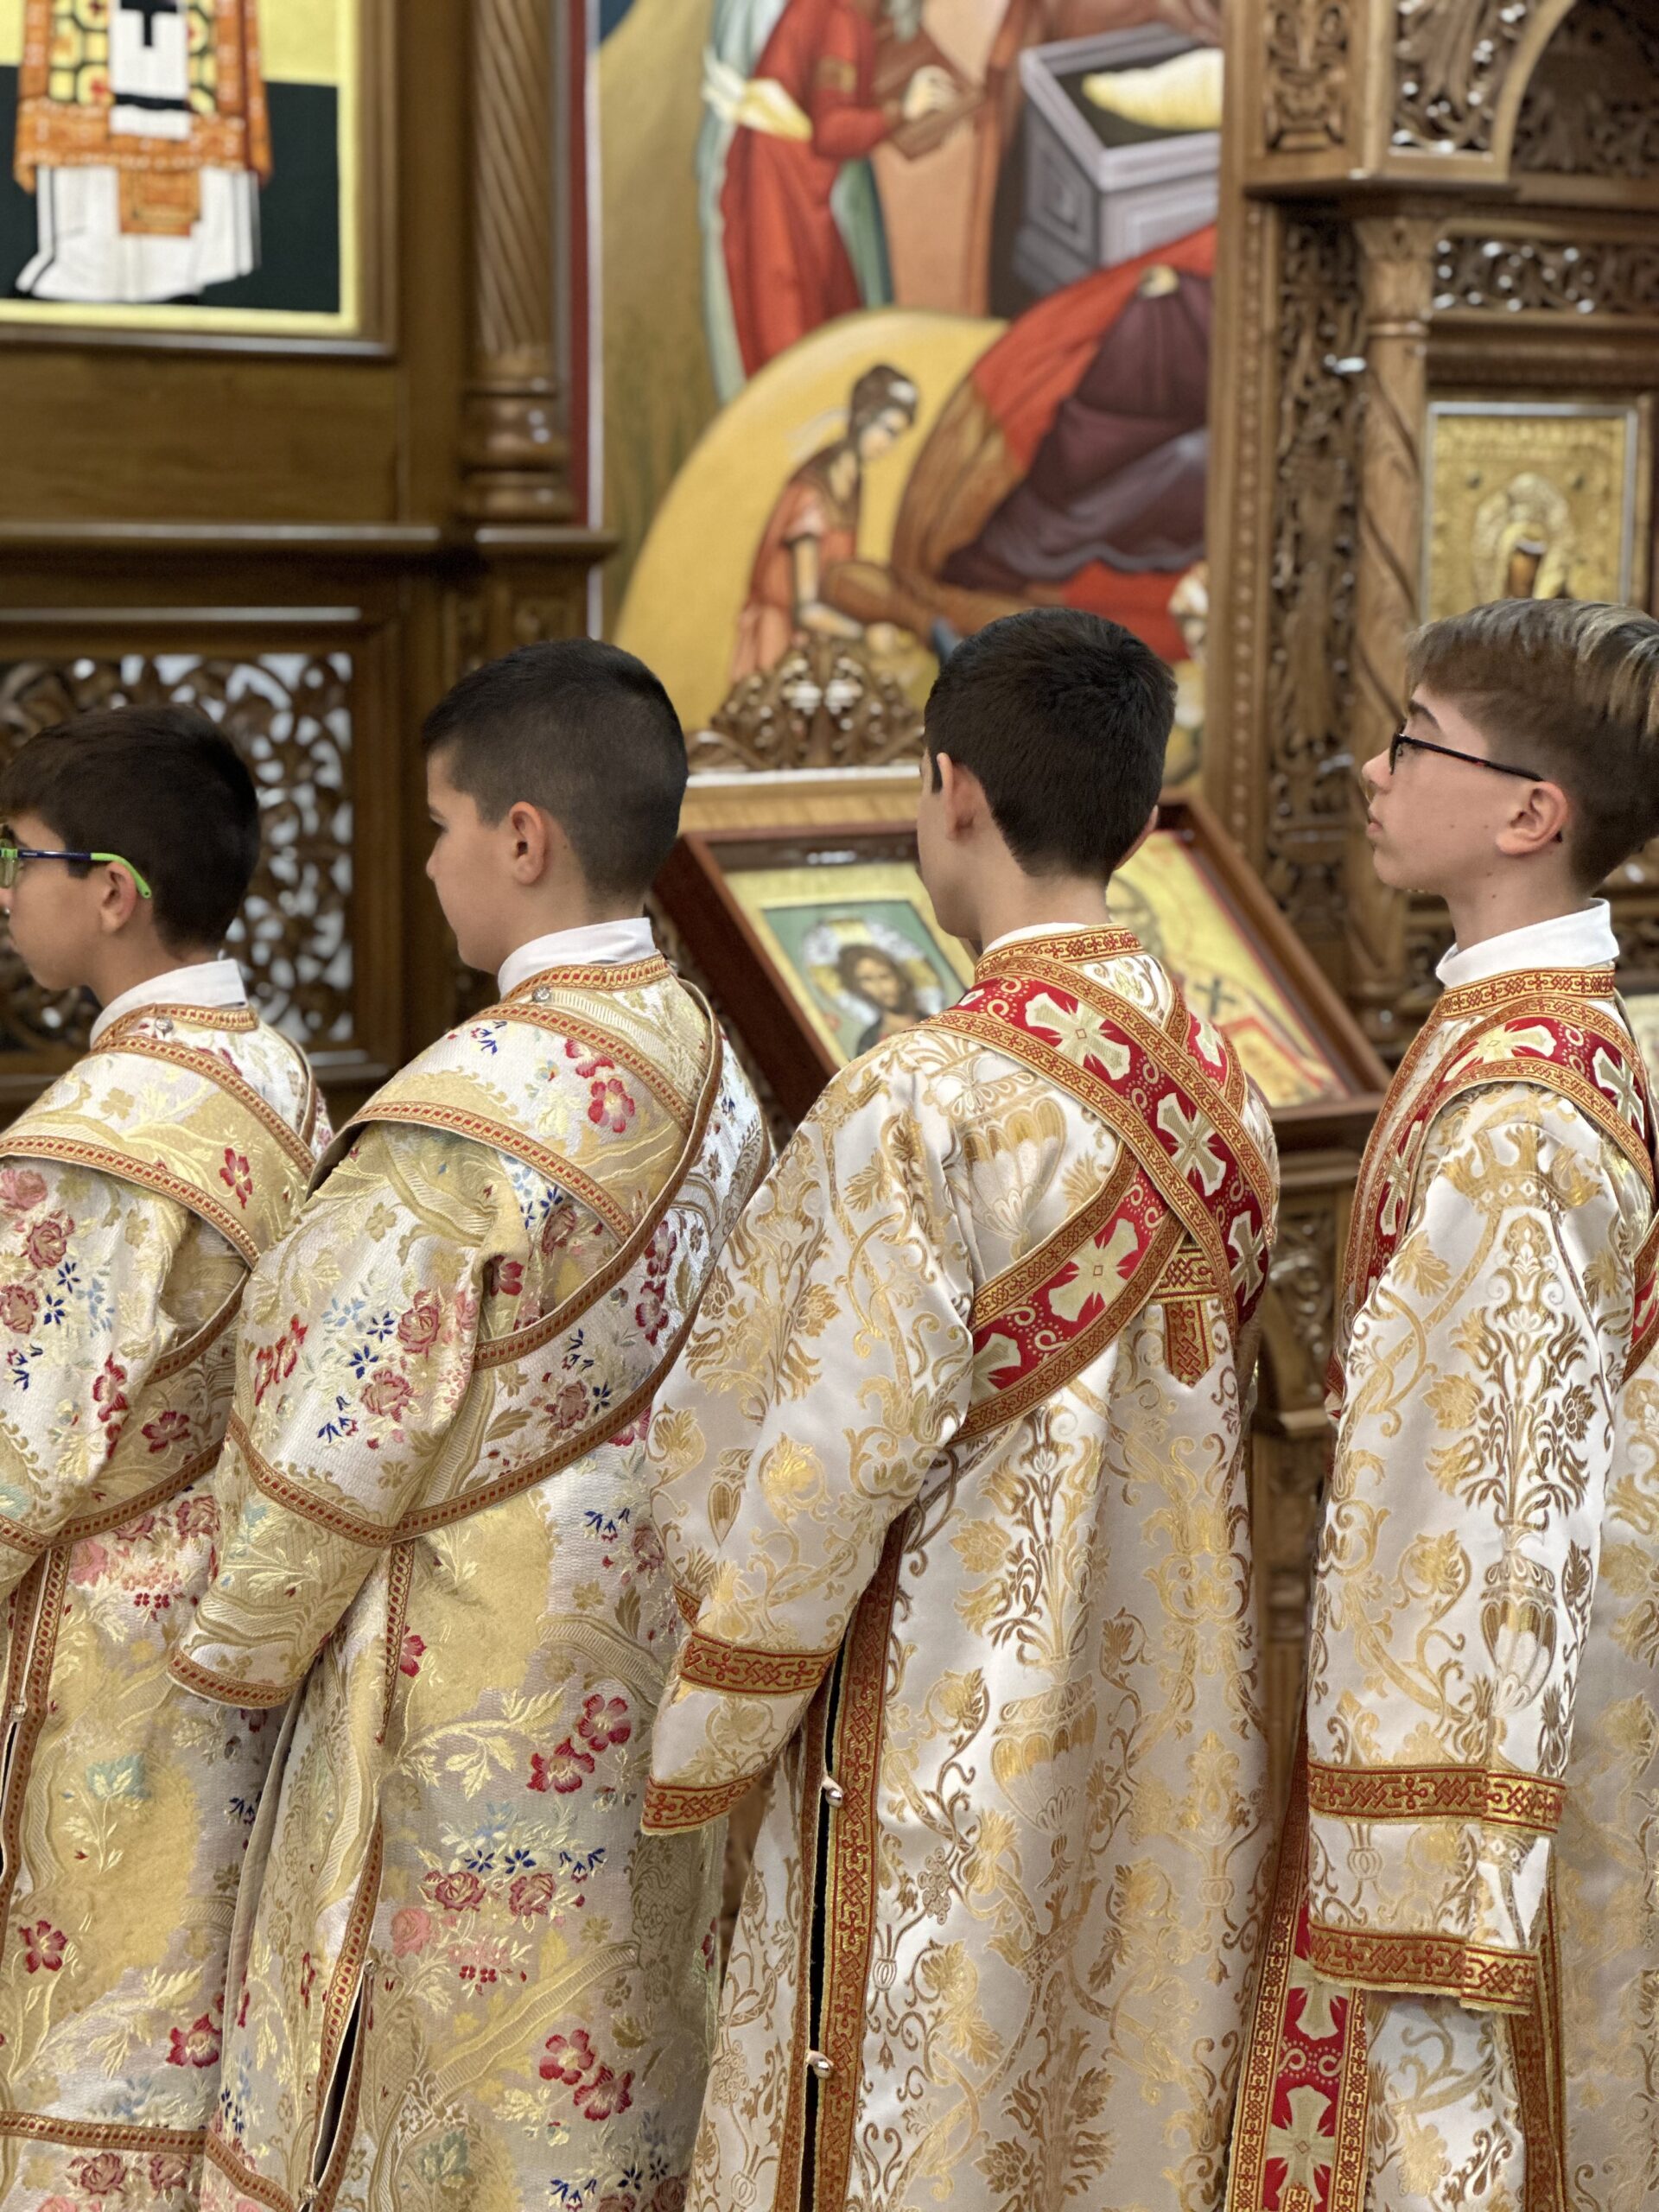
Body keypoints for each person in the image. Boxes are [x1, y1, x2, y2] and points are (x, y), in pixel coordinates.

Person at [643, 607, 1279, 2210]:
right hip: (1170, 1729)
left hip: (942, 1724)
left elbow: (816, 1457)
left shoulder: (919, 1097)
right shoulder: (1231, 1087)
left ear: (952, 792)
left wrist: (712, 1703)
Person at [169, 644, 769, 2211]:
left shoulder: (472, 1109)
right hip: (653, 1640)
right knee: (617, 2045)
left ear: (521, 836)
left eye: (438, 829)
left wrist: (228, 1646)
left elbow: (330, 1425)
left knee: (450, 2081)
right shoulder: (714, 1055)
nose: (428, 866)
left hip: (473, 1671)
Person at [1226, 601, 1659, 2212]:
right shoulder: (1511, 1031)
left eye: (1414, 742)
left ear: (1531, 814)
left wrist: (1422, 1841)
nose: (1374, 768)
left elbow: (1491, 1484)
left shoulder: (1519, 1113)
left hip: (1481, 1741)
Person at [0, 707, 327, 2205]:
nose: (9, 893)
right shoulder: (272, 1066)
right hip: (219, 1584)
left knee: (82, 2030)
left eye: (21, 859)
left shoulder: (102, 1124)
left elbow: (24, 1449)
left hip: (93, 1645)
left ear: (112, 892)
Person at [732, 362, 918, 681]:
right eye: (888, 431)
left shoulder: (852, 480)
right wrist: (864, 633)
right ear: (864, 417)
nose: (889, 446)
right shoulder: (811, 496)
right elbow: (805, 610)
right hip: (779, 649)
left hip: (819, 642)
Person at [835, 939, 923, 1050]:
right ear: (857, 988)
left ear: (900, 978)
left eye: (884, 976)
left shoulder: (933, 1019)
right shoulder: (869, 1042)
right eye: (867, 979)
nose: (879, 986)